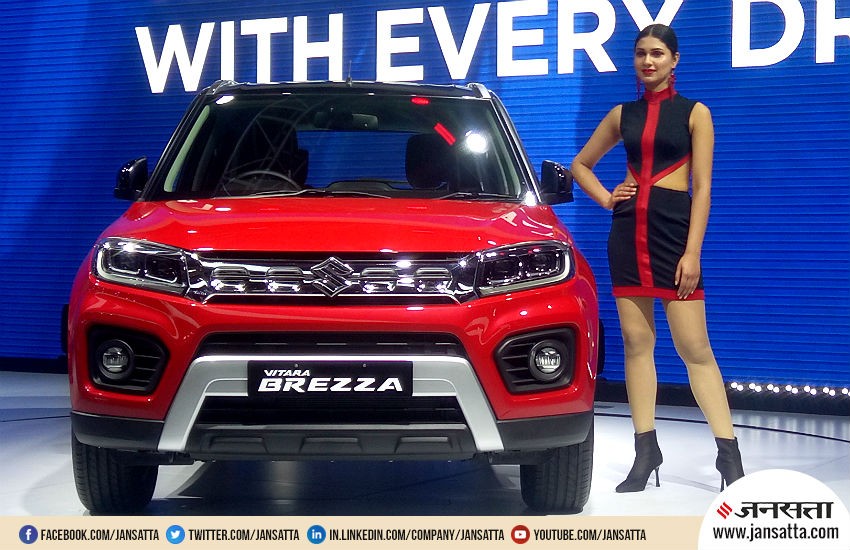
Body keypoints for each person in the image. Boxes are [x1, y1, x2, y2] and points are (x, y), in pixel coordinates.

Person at [570, 24, 744, 493]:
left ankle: (729, 455)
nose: (648, 61)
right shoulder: (622, 113)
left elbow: (702, 188)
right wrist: (607, 198)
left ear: (675, 60)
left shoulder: (695, 113)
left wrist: (693, 252)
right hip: (628, 233)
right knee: (635, 343)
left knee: (694, 348)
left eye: (658, 53)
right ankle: (645, 452)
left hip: (673, 234)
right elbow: (580, 165)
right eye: (641, 53)